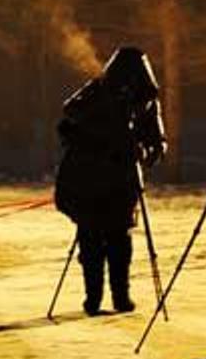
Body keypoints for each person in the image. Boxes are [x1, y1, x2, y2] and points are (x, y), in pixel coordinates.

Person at [54, 47, 166, 316]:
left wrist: (146, 152)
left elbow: (158, 141)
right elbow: (70, 117)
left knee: (118, 241)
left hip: (122, 180)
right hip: (90, 179)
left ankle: (120, 296)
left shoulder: (146, 102)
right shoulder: (96, 92)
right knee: (91, 239)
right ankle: (93, 297)